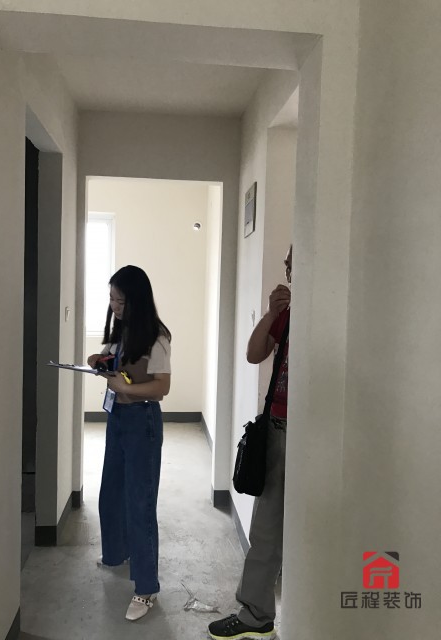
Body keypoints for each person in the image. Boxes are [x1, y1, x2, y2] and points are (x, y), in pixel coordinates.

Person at [208, 245, 292, 640]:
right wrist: (272, 313)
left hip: (319, 434)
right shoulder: (287, 315)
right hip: (278, 428)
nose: (288, 267)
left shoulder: (335, 309)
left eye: (293, 261)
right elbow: (253, 354)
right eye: (287, 261)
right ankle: (257, 613)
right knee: (266, 528)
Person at [87, 265, 171, 622]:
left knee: (140, 504)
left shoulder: (156, 336)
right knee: (111, 492)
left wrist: (125, 387)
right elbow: (110, 360)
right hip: (118, 418)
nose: (114, 306)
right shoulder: (122, 331)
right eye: (111, 299)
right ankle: (116, 553)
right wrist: (97, 361)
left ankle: (146, 589)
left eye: (120, 301)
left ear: (137, 300)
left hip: (142, 421)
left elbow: (162, 387)